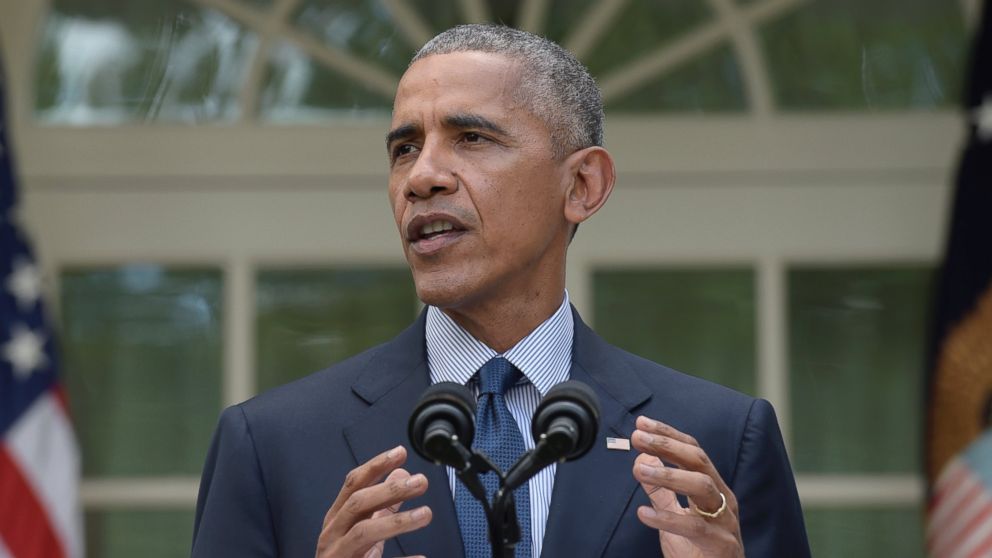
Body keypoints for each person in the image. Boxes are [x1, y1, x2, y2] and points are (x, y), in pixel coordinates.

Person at [191, 24, 810, 558]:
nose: (423, 176)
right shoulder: (269, 444)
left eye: (472, 138)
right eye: (405, 148)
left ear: (582, 186)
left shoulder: (720, 439)